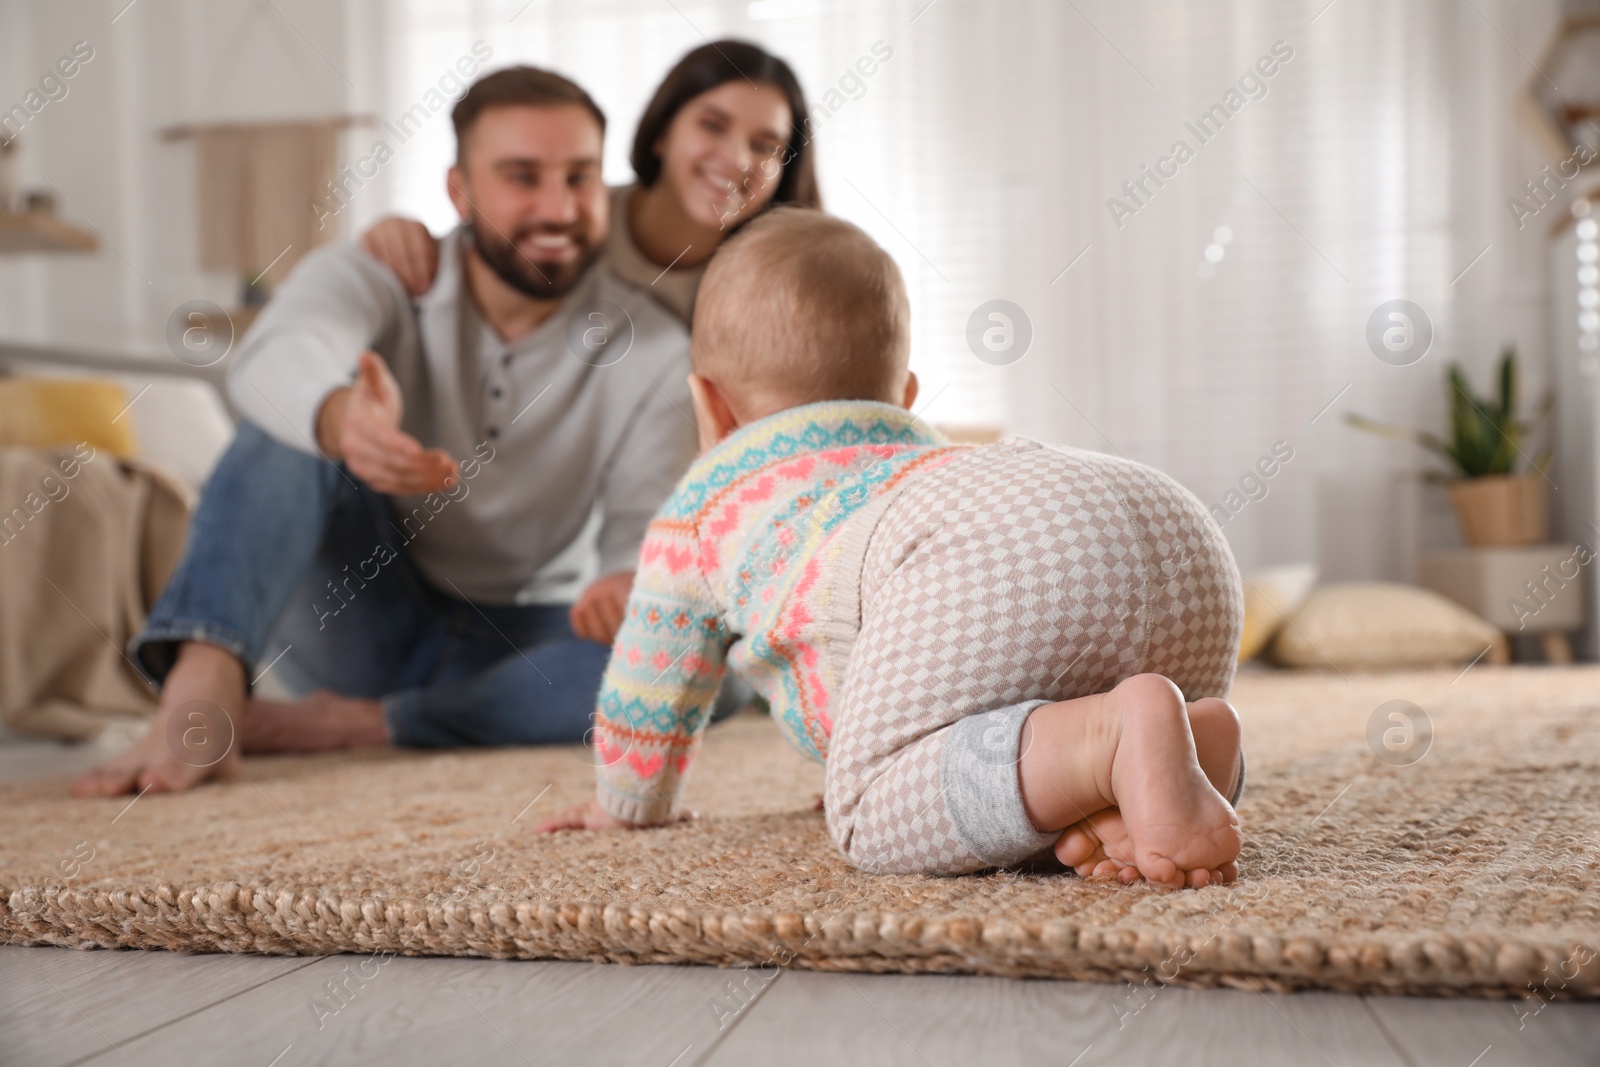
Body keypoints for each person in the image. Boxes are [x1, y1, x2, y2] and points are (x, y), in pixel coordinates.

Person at [537, 209, 1247, 888]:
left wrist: (627, 804)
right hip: (1176, 530)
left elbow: (651, 678)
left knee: (872, 815)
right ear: (903, 397)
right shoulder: (922, 466)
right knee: (1023, 772)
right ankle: (1174, 745)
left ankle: (1113, 737)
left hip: (993, 556)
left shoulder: (707, 507)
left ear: (710, 406)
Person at [73, 66, 697, 797]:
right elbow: (277, 355)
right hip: (362, 613)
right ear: (460, 192)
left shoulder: (653, 348)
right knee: (291, 420)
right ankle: (204, 677)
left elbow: (640, 531)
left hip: (512, 640)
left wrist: (630, 580)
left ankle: (364, 723)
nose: (557, 207)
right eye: (522, 177)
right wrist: (341, 419)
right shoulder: (383, 272)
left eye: (580, 177)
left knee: (693, 655)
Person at [360, 39, 819, 325]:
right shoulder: (574, 214)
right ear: (662, 131)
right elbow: (485, 252)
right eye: (713, 126)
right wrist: (401, 237)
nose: (738, 160)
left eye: (765, 146)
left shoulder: (772, 283)